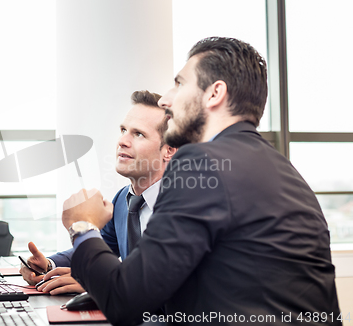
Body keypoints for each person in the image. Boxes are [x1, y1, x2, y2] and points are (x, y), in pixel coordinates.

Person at [61, 37, 341, 325]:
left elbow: (125, 299)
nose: (165, 99)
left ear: (214, 93)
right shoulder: (283, 170)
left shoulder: (201, 162)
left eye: (180, 84)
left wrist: (82, 226)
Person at [20, 90, 176, 295]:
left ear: (169, 150)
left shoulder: (183, 205)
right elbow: (98, 246)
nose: (122, 141)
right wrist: (48, 264)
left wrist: (98, 283)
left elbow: (169, 282)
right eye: (123, 130)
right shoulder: (123, 199)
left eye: (138, 134)